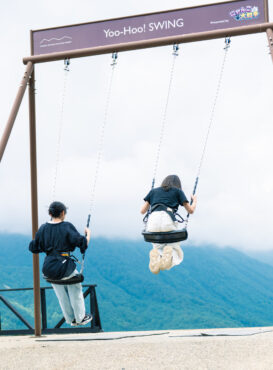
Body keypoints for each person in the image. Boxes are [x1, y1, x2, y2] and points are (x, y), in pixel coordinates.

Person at [29, 201, 92, 326]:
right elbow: (82, 244)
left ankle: (70, 319)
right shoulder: (67, 226)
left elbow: (33, 248)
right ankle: (80, 318)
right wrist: (88, 234)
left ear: (50, 213)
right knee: (75, 289)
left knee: (61, 295)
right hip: (64, 267)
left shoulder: (43, 228)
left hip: (48, 269)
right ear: (63, 213)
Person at [141, 175, 197, 274]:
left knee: (157, 246)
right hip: (167, 219)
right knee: (174, 249)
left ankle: (157, 257)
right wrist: (195, 201)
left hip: (152, 223)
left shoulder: (153, 191)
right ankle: (169, 256)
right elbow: (190, 210)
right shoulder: (178, 191)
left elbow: (142, 211)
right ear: (178, 185)